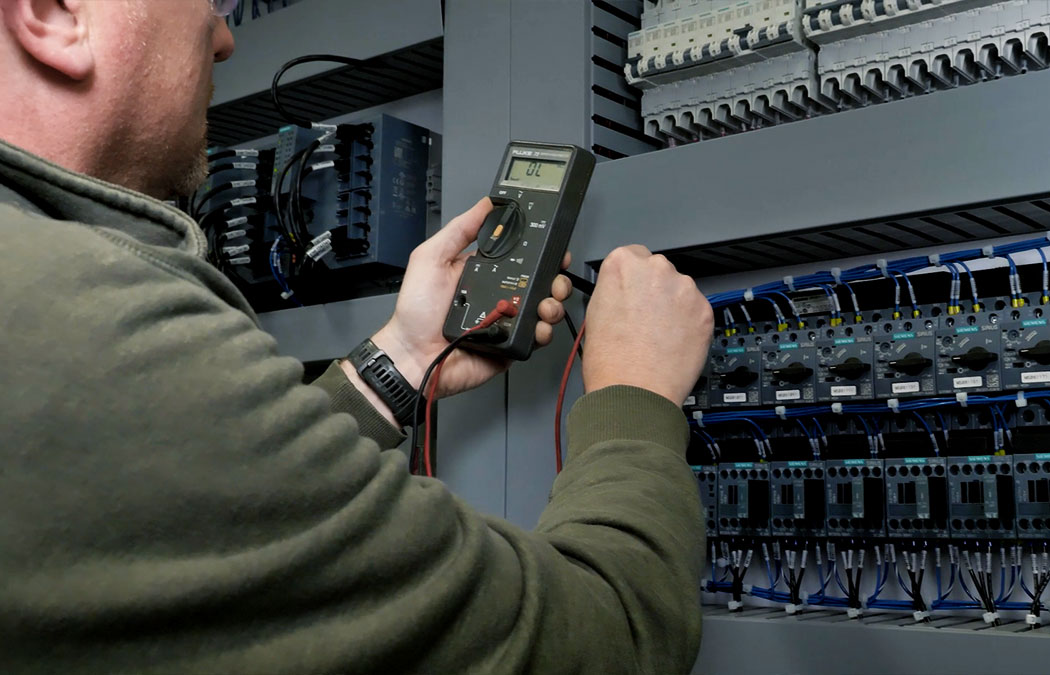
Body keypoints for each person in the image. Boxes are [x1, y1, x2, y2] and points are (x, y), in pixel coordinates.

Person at [0, 0, 715, 672]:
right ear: (53, 13)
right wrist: (634, 395)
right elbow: (605, 635)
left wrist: (401, 358)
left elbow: (199, 509)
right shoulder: (105, 319)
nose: (224, 35)